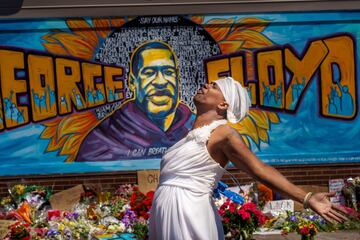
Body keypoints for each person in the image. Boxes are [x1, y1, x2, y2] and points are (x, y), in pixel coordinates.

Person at [149, 77, 348, 240]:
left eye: (214, 86)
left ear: (223, 103)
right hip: (167, 211)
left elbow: (259, 170)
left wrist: (306, 197)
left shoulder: (223, 134)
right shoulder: (187, 136)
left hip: (188, 212)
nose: (205, 85)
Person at [75, 41, 193, 161]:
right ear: (132, 82)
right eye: (149, 73)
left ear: (177, 78)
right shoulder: (103, 139)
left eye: (168, 72)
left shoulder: (198, 126)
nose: (161, 82)